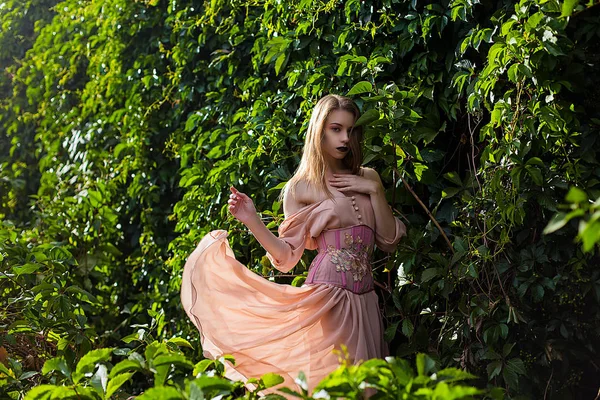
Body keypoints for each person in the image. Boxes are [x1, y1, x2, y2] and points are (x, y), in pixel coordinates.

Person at [180, 94, 406, 397]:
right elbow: (286, 257)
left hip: (367, 299)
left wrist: (376, 191)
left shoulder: (368, 177)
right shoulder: (301, 186)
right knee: (347, 388)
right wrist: (252, 219)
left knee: (374, 387)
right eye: (335, 129)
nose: (344, 138)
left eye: (350, 130)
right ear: (319, 131)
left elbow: (389, 243)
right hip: (331, 298)